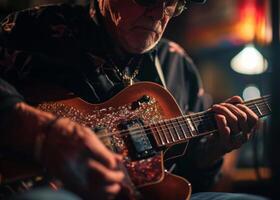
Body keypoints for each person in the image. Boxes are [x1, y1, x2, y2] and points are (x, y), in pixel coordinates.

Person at [0, 0, 265, 199]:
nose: (159, 12)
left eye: (171, 2)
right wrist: (46, 133)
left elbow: (189, 182)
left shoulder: (177, 65)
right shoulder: (40, 28)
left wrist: (213, 150)